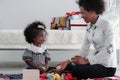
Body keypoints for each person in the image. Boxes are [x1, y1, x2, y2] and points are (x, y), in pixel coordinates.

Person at [55, 0, 117, 79]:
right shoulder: (89, 27)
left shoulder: (107, 25)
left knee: (78, 69)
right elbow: (84, 50)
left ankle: (64, 73)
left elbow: (109, 50)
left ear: (92, 11)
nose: (81, 16)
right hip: (95, 63)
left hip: (107, 66)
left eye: (83, 13)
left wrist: (87, 61)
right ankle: (54, 69)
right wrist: (68, 61)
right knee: (70, 66)